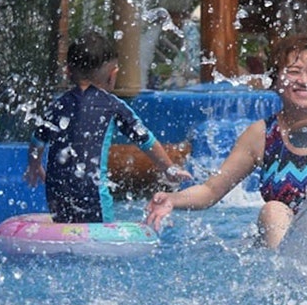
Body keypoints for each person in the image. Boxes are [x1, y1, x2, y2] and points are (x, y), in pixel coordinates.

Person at [144, 35, 307, 248]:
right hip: (283, 246)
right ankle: (284, 276)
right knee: (273, 211)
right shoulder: (261, 135)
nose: (304, 81)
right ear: (275, 80)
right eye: (293, 72)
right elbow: (211, 191)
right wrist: (172, 199)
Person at [24, 31, 191, 224]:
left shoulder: (56, 105)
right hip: (93, 195)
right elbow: (145, 140)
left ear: (68, 71)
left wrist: (34, 166)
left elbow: (37, 141)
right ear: (112, 75)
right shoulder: (113, 106)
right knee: (102, 238)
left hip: (57, 194)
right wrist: (169, 168)